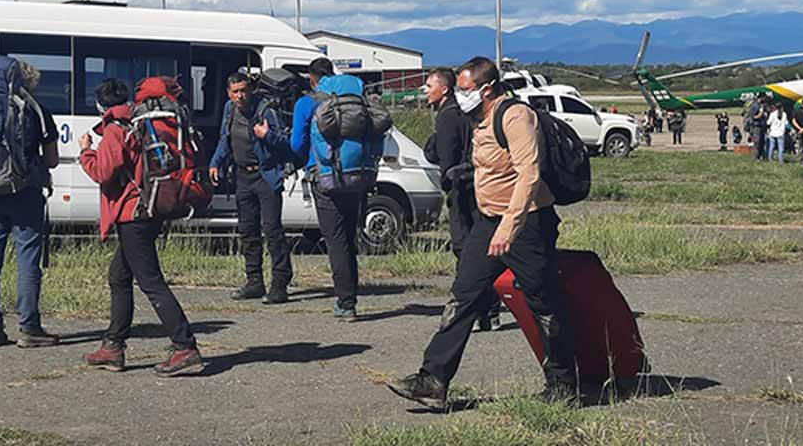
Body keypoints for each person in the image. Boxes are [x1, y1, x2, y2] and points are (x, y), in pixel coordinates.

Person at [388, 56, 576, 409]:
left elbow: (529, 176)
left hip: (527, 225)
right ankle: (433, 379)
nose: (460, 95)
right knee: (463, 296)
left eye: (465, 89)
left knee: (543, 303)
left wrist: (509, 227)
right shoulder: (477, 118)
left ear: (486, 88)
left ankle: (564, 384)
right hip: (488, 223)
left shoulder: (515, 117)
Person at [80, 79, 203, 375]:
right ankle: (113, 347)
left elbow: (103, 172)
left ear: (101, 105)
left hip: (132, 214)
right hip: (148, 210)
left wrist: (86, 152)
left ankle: (185, 346)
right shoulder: (137, 122)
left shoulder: (115, 129)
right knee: (119, 277)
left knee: (150, 282)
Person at [0, 60, 60, 348]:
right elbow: (51, 160)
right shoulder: (36, 110)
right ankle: (29, 328)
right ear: (30, 82)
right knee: (27, 260)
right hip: (25, 192)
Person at [291, 57, 375, 321]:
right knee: (349, 237)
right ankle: (350, 295)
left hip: (325, 178)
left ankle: (346, 302)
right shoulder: (355, 98)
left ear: (313, 79)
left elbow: (296, 144)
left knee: (335, 239)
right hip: (357, 174)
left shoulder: (308, 103)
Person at [422, 68, 501, 332]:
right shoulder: (466, 113)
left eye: (429, 85)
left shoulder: (447, 117)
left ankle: (476, 308)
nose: (425, 90)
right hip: (477, 187)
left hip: (462, 190)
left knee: (466, 251)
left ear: (444, 89)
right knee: (480, 248)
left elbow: (446, 159)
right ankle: (489, 309)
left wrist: (448, 185)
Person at [209, 72, 292, 304]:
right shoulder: (229, 109)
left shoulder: (266, 111)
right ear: (229, 93)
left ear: (251, 89)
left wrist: (267, 136)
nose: (240, 96)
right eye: (235, 92)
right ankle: (254, 281)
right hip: (242, 177)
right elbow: (225, 139)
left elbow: (287, 145)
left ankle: (280, 283)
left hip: (266, 176)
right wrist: (216, 162)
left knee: (273, 230)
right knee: (247, 231)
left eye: (244, 90)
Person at [750, 94, 768, 160]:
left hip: (763, 125)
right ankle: (756, 156)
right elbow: (752, 116)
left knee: (762, 141)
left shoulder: (763, 105)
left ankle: (762, 155)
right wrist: (760, 115)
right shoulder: (755, 105)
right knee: (757, 141)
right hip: (757, 125)